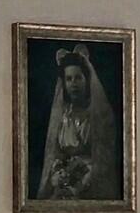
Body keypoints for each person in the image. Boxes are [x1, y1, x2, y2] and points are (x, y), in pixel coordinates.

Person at [36, 45, 121, 201]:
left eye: (78, 78)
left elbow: (104, 160)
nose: (73, 84)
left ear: (87, 80)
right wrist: (58, 174)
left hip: (91, 186)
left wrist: (84, 178)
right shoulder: (62, 116)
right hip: (63, 185)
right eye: (69, 79)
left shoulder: (99, 115)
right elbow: (56, 153)